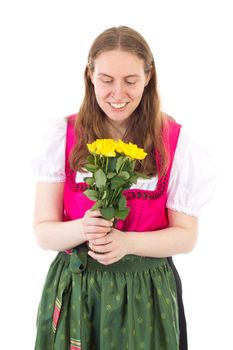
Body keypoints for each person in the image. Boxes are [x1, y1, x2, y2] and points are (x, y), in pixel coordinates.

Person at [31, 26, 215, 350]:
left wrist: (127, 242)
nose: (118, 94)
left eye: (130, 81)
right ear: (90, 75)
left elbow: (186, 236)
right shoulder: (63, 135)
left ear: (148, 76)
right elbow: (44, 232)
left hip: (147, 292)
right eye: (106, 80)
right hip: (77, 291)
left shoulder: (173, 141)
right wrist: (83, 228)